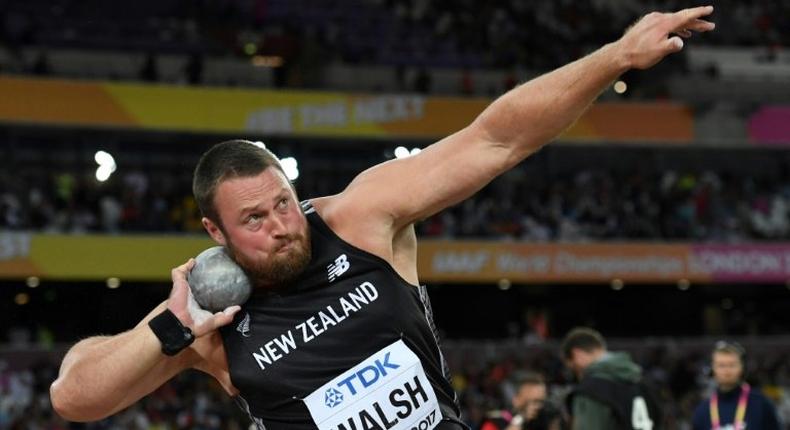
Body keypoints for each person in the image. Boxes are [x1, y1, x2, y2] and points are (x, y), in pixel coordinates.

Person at [50, 7, 715, 429]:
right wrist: (169, 326)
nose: (283, 224)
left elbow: (495, 138)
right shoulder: (207, 315)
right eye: (255, 219)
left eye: (284, 201)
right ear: (214, 235)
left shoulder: (361, 216)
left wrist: (618, 56)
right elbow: (76, 396)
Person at [562, 327, 662, 430]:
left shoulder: (591, 390)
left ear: (577, 354)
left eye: (574, 369)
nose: (578, 377)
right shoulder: (642, 383)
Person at [692, 341, 781, 430]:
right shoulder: (702, 411)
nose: (727, 371)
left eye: (732, 365)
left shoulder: (761, 405)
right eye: (721, 365)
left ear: (742, 368)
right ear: (712, 369)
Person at [480, 372, 565, 430]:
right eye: (533, 402)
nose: (538, 407)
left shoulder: (546, 422)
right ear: (516, 400)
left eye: (541, 401)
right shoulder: (496, 423)